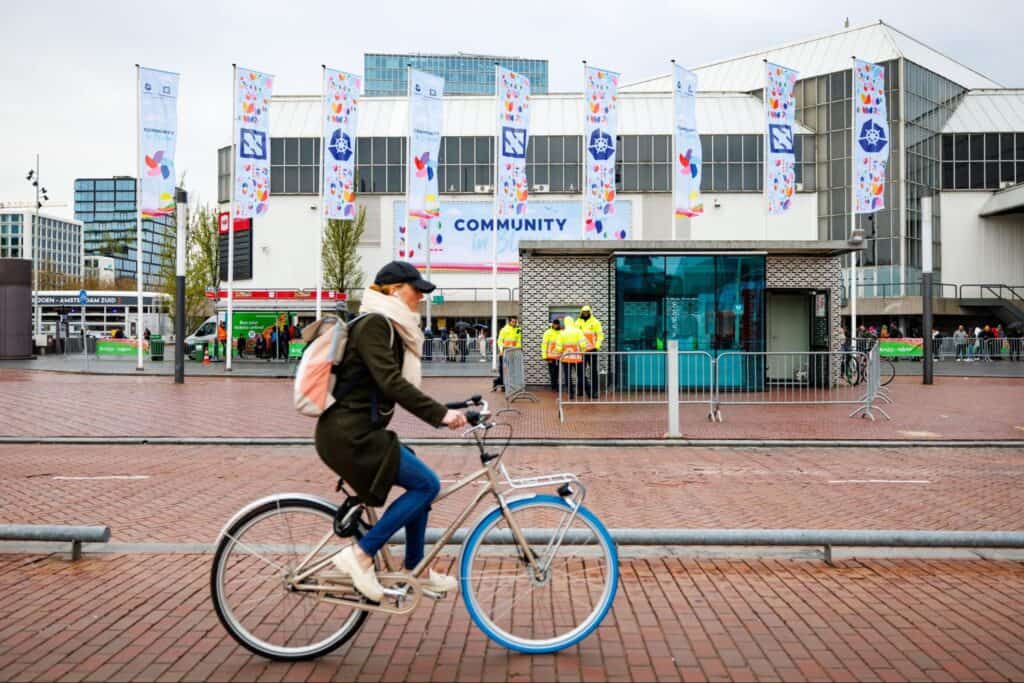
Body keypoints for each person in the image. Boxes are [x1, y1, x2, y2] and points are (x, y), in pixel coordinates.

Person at [316, 261, 467, 602]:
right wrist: (440, 415)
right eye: (416, 291)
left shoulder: (389, 327)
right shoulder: (375, 325)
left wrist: (452, 409)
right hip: (348, 436)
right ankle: (361, 555)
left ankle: (415, 568)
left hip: (359, 432)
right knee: (428, 484)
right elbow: (391, 382)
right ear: (394, 290)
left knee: (419, 478)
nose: (420, 299)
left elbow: (390, 385)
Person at [577, 305, 605, 399]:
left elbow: (600, 335)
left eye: (587, 312)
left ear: (589, 312)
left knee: (593, 371)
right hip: (581, 351)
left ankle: (595, 391)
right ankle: (581, 389)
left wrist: (597, 346)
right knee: (580, 371)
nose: (585, 313)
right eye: (584, 312)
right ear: (581, 312)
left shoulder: (595, 322)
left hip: (592, 350)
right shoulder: (577, 322)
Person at [558, 316, 586, 399]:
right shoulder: (578, 331)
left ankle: (571, 394)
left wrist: (560, 352)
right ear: (573, 322)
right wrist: (583, 352)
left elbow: (559, 347)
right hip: (577, 357)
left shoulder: (562, 333)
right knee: (581, 375)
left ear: (565, 323)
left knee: (568, 376)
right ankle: (587, 391)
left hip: (566, 358)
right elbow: (583, 344)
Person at [493, 317, 522, 391]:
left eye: (516, 322)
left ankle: (501, 382)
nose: (515, 323)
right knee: (503, 370)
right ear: (509, 322)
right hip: (504, 353)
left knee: (511, 370)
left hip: (513, 353)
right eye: (513, 322)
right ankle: (502, 385)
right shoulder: (504, 330)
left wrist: (518, 349)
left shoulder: (518, 330)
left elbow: (518, 341)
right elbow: (499, 341)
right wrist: (502, 349)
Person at [542, 318, 563, 392]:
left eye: (557, 324)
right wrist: (545, 356)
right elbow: (544, 345)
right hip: (550, 357)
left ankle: (557, 387)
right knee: (552, 372)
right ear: (552, 324)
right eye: (555, 324)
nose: (556, 325)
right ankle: (553, 387)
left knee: (558, 373)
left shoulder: (561, 332)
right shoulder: (548, 332)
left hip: (559, 357)